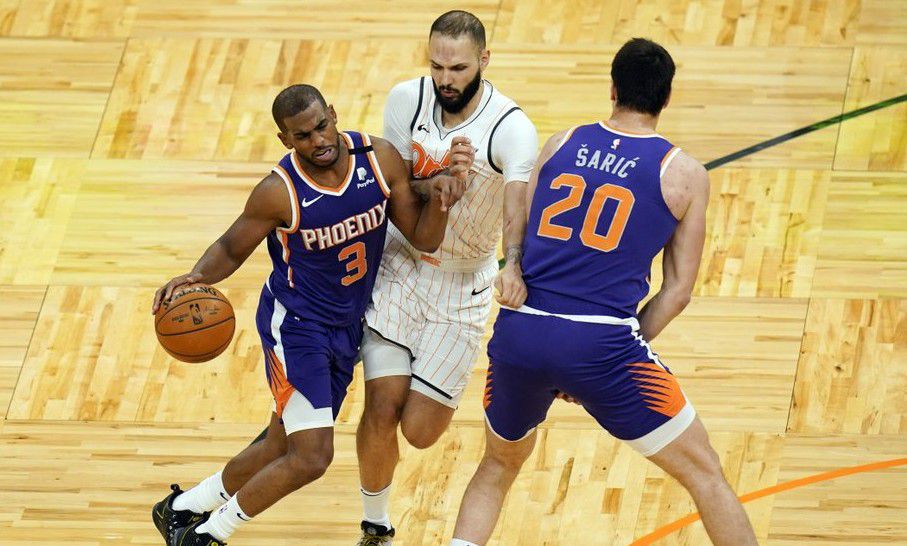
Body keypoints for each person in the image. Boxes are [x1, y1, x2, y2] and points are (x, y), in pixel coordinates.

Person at [447, 39, 758, 546]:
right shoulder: (683, 174)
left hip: (521, 332)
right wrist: (604, 356)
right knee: (705, 474)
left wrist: (515, 267)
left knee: (497, 466)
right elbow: (677, 293)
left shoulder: (562, 142)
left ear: (612, 89)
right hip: (602, 343)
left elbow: (518, 218)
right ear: (667, 97)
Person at [148, 83, 472, 546]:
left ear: (334, 114)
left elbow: (424, 239)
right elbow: (231, 247)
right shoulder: (278, 192)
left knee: (281, 444)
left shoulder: (377, 159)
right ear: (286, 140)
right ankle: (208, 534)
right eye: (303, 136)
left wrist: (439, 202)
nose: (318, 140)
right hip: (297, 327)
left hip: (347, 326)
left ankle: (181, 509)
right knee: (312, 456)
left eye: (322, 126)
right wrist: (195, 276)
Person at [354, 10, 538, 545]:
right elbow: (396, 183)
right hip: (401, 265)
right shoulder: (405, 100)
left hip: (463, 283)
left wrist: (514, 266)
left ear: (484, 60)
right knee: (381, 406)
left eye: (457, 68)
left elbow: (517, 206)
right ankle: (375, 525)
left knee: (420, 431)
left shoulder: (510, 128)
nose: (445, 79)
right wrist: (436, 182)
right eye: (436, 66)